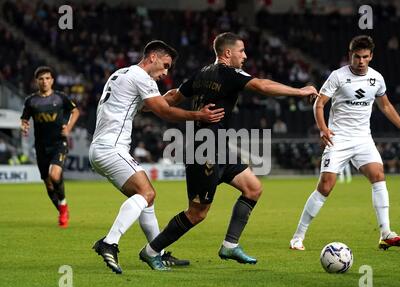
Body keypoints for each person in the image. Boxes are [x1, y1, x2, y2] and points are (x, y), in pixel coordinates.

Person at [139, 32, 319, 271]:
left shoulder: (202, 73)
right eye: (241, 51)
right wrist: (300, 91)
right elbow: (262, 86)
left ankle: (230, 245)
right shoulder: (229, 73)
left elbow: (174, 96)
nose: (244, 56)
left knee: (253, 188)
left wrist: (150, 104)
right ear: (227, 53)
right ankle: (151, 251)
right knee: (197, 213)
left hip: (217, 146)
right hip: (203, 150)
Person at [89, 40, 225, 274]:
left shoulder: (121, 73)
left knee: (146, 199)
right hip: (111, 148)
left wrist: (175, 96)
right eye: (164, 65)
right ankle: (109, 242)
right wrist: (198, 115)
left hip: (102, 148)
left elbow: (147, 106)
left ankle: (158, 252)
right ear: (152, 57)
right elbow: (163, 111)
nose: (165, 72)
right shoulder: (141, 77)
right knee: (147, 193)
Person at [289, 35, 400, 251]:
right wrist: (323, 129)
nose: (360, 61)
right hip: (338, 138)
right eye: (357, 57)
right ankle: (298, 236)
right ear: (350, 55)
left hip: (362, 139)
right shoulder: (337, 76)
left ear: (371, 56)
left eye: (365, 57)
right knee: (325, 187)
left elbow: (385, 106)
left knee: (378, 175)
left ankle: (385, 233)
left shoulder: (377, 78)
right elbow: (319, 104)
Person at [21, 66, 80, 228]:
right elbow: (25, 118)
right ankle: (62, 209)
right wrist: (24, 125)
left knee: (54, 175)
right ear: (36, 81)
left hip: (58, 143)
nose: (44, 81)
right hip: (41, 146)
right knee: (48, 183)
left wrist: (68, 127)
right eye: (41, 79)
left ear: (52, 80)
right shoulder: (31, 101)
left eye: (47, 78)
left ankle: (63, 204)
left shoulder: (60, 98)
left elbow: (75, 111)